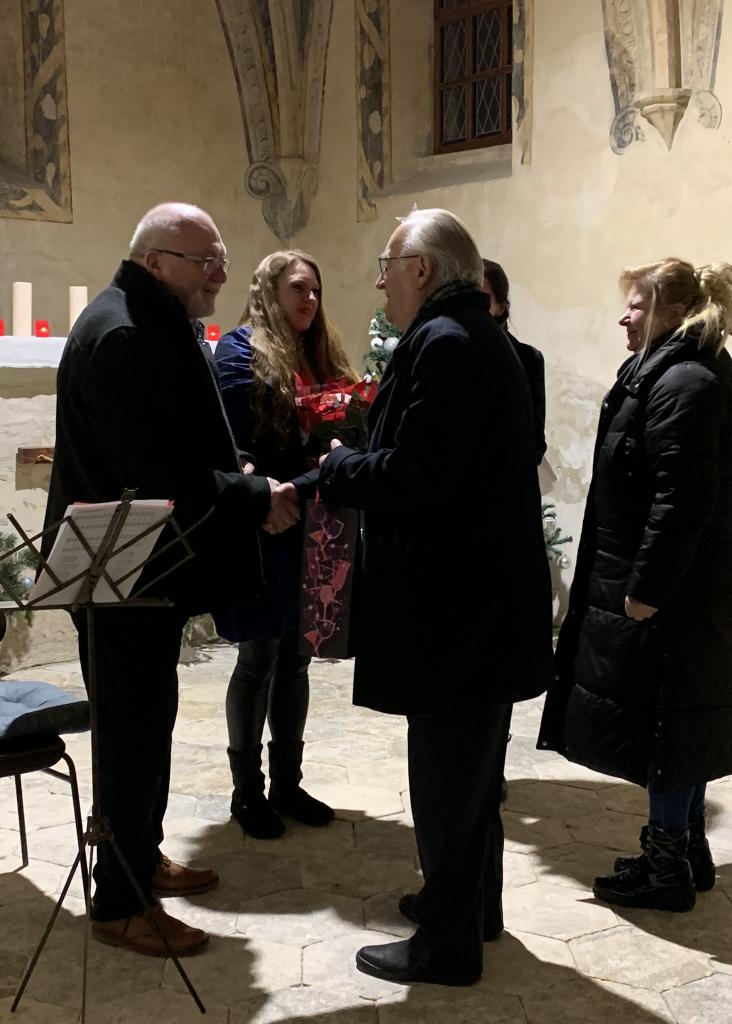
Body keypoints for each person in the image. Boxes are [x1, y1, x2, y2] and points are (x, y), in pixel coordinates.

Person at [43, 203, 298, 957]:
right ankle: (119, 903)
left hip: (143, 567)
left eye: (222, 261)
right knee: (129, 733)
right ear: (156, 261)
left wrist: (232, 467)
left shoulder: (148, 318)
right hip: (119, 570)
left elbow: (179, 441)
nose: (219, 275)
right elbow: (153, 471)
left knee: (149, 721)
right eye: (205, 261)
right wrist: (251, 493)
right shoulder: (124, 331)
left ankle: (141, 856)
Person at [318, 209, 552, 986]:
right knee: (473, 776)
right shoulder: (477, 336)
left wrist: (339, 465)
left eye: (388, 266)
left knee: (448, 780)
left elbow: (417, 478)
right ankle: (471, 907)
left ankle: (445, 946)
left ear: (421, 268)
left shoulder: (446, 342)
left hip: (456, 612)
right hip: (481, 605)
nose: (379, 281)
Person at [537, 258, 732, 912]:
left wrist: (648, 587)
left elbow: (681, 499)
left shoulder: (685, 380)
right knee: (681, 722)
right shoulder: (679, 370)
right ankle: (684, 848)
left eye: (635, 305)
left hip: (675, 594)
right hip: (685, 587)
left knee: (668, 724)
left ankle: (666, 867)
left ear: (668, 310)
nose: (622, 317)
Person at [214, 250, 358, 838]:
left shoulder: (322, 354)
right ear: (268, 291)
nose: (311, 299)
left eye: (316, 290)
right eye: (299, 288)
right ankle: (247, 792)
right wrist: (266, 495)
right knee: (258, 658)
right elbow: (228, 443)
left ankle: (287, 784)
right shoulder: (239, 351)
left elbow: (344, 434)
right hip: (265, 521)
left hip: (313, 516)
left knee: (297, 657)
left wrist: (309, 478)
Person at [482, 258, 547, 465]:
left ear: (501, 307)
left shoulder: (527, 359)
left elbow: (536, 443)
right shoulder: (448, 349)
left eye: (481, 299)